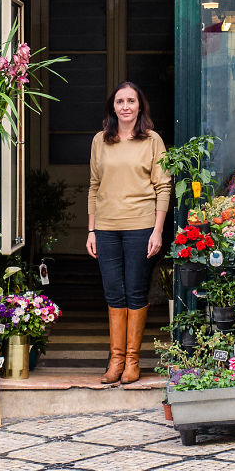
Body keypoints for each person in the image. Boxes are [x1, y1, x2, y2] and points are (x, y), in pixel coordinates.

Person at [87, 81, 171, 384]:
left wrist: (157, 231)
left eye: (131, 101)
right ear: (113, 106)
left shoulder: (152, 140)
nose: (125, 106)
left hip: (141, 226)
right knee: (113, 293)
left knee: (135, 291)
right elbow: (94, 185)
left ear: (139, 106)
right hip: (107, 228)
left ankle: (133, 361)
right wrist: (91, 230)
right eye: (120, 101)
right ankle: (116, 360)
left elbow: (163, 186)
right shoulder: (101, 140)